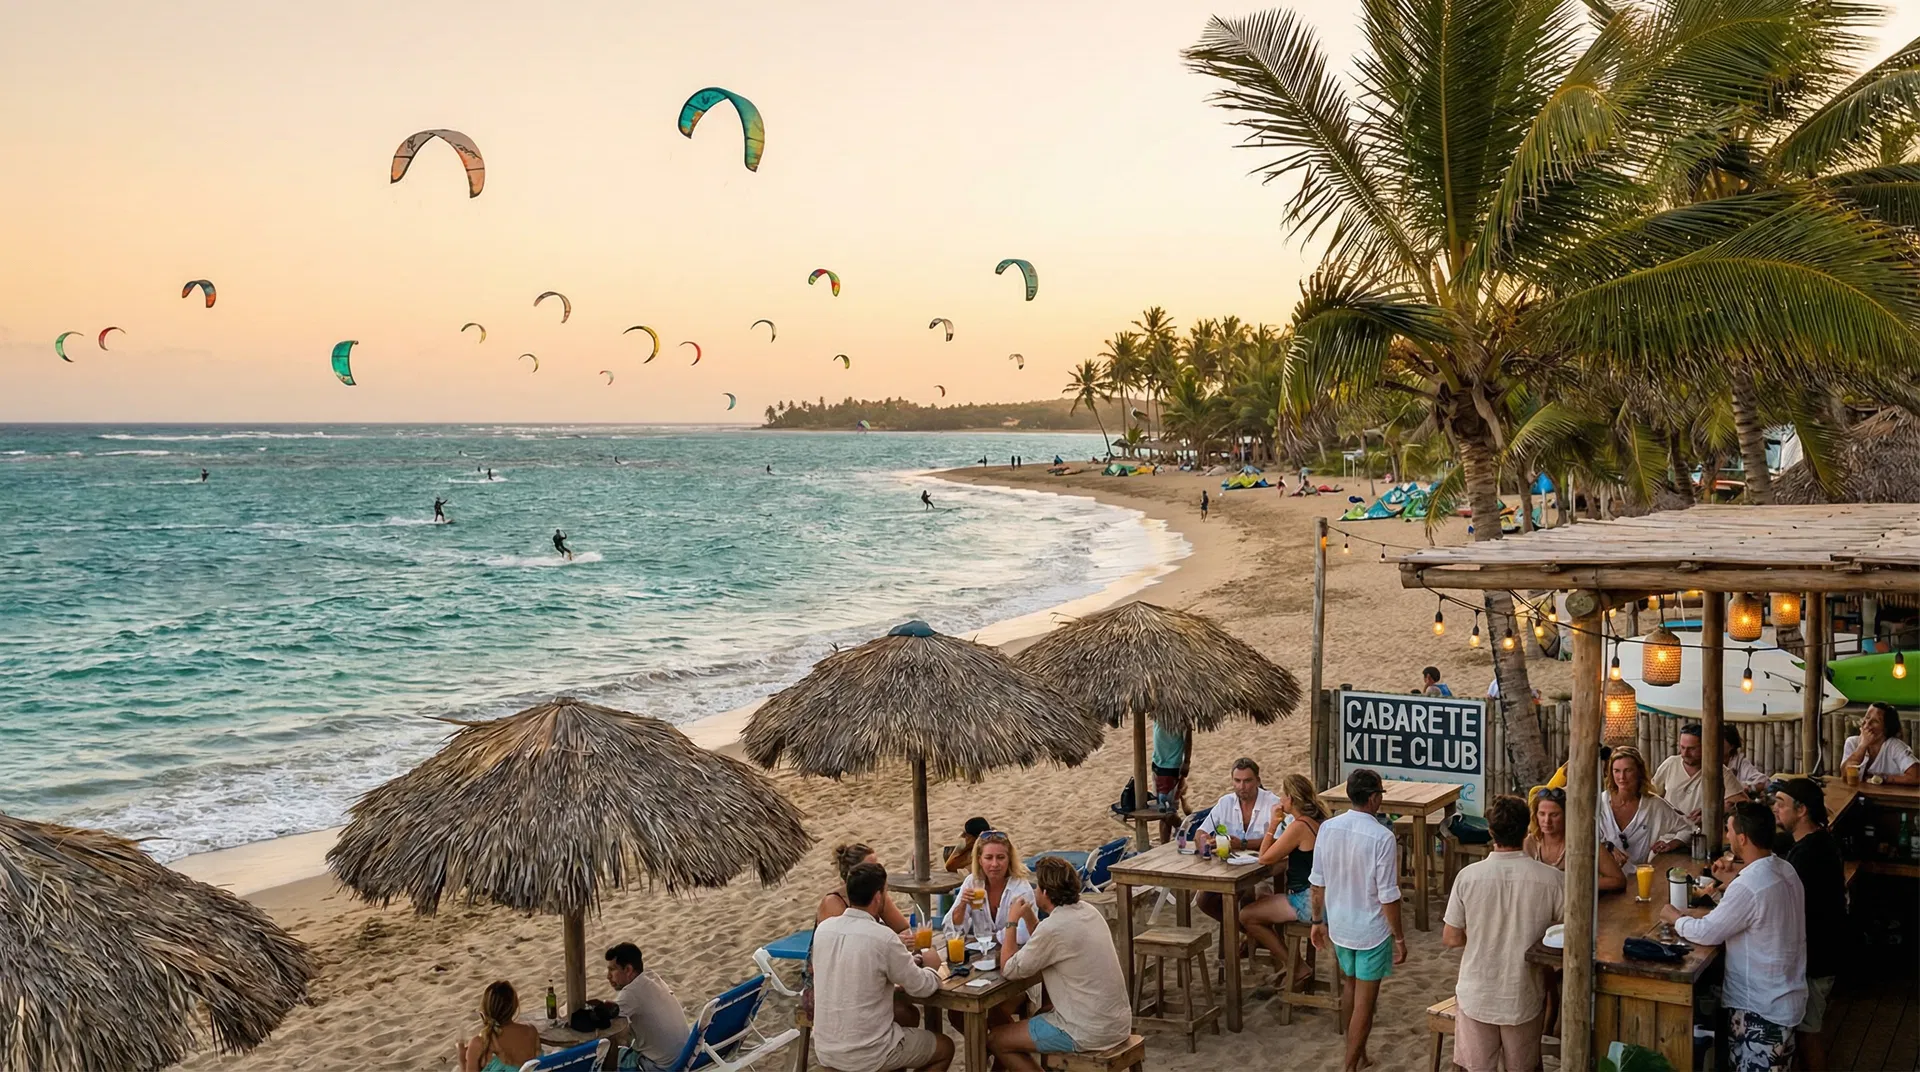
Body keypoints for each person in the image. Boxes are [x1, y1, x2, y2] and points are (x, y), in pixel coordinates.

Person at [1659, 804, 1806, 1072]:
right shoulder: (1785, 870)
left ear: (1742, 839)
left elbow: (1707, 932)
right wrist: (1722, 889)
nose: (1726, 836)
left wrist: (1674, 917)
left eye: (1729, 831)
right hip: (1783, 999)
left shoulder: (1750, 885)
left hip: (1760, 1010)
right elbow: (1750, 916)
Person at [1441, 795, 1563, 1072]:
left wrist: (1484, 934)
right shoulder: (1552, 880)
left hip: (1477, 991)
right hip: (1522, 993)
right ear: (1527, 830)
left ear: (1491, 831)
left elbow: (1451, 937)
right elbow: (1564, 932)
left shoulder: (1468, 877)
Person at [987, 856, 1131, 1071]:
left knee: (997, 1039)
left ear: (1045, 892)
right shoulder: (1088, 911)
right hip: (1117, 1023)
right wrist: (1028, 916)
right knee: (1035, 1016)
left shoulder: (1054, 927)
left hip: (1087, 1031)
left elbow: (1010, 969)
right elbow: (1046, 946)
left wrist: (1011, 921)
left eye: (1037, 887)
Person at [812, 862, 953, 1072]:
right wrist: (932, 967)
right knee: (945, 1047)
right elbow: (921, 987)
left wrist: (903, 964)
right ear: (879, 897)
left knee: (905, 1020)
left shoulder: (824, 930)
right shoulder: (882, 937)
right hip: (868, 1053)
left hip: (826, 1049)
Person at [1309, 768, 1406, 1072]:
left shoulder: (1328, 828)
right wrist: (1399, 936)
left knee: (1350, 985)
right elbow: (1388, 895)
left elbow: (1317, 883)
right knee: (1366, 1000)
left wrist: (1317, 920)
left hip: (1339, 923)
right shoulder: (1382, 836)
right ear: (1375, 798)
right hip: (1371, 929)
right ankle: (1350, 1064)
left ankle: (1357, 1054)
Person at [1772, 778, 1844, 1070]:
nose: (1775, 809)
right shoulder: (1817, 841)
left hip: (1817, 959)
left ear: (1801, 810)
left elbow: (1784, 903)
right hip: (1821, 953)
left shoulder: (1809, 854)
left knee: (1808, 1035)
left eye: (1781, 803)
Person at [812, 844, 917, 1029]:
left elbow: (902, 928)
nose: (878, 870)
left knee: (907, 1009)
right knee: (904, 1013)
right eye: (872, 866)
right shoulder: (833, 903)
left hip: (865, 971)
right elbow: (842, 955)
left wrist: (898, 940)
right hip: (834, 982)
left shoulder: (875, 895)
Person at [1239, 773, 1326, 981]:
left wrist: (1273, 824)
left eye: (1283, 797)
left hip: (1307, 901)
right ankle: (1284, 960)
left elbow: (1264, 858)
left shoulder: (1299, 826)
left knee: (1246, 916)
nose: (1280, 801)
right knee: (1263, 899)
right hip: (1324, 897)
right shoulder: (1318, 821)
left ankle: (1294, 965)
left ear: (1292, 800)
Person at [1196, 758, 1282, 921]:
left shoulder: (1272, 803)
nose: (1242, 786)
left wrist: (1242, 844)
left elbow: (1281, 841)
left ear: (1258, 780)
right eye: (1237, 781)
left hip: (1265, 871)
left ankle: (1246, 938)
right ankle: (1242, 934)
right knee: (1204, 900)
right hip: (1230, 870)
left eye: (1247, 781)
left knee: (1253, 896)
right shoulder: (1225, 802)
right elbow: (1201, 832)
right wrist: (1205, 843)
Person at [599, 943, 689, 1072]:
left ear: (628, 970)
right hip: (685, 1054)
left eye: (612, 969)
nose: (608, 976)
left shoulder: (630, 993)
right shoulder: (651, 976)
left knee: (600, 1058)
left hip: (663, 1067)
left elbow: (606, 1025)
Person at [1599, 745, 1691, 868]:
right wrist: (1607, 847)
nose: (1622, 777)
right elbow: (1582, 840)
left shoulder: (1654, 806)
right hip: (1603, 879)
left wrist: (1673, 843)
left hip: (1638, 878)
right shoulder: (1599, 804)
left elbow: (1689, 829)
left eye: (1628, 770)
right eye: (1617, 771)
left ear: (1639, 772)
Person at [1523, 787, 1626, 892]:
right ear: (1535, 815)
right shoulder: (1530, 843)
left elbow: (1618, 880)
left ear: (1567, 816)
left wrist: (1577, 883)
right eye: (1542, 814)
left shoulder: (1583, 842)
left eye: (1554, 815)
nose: (1547, 820)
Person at [1652, 723, 1749, 829]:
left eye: (1692, 749)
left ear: (1705, 746)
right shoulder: (1670, 764)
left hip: (1701, 834)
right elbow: (1652, 795)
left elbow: (1742, 803)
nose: (1685, 753)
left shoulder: (1718, 771)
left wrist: (1711, 812)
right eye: (1682, 747)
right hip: (1669, 831)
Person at [945, 830, 1034, 935]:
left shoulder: (1020, 888)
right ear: (980, 860)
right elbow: (951, 929)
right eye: (988, 858)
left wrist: (991, 939)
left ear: (1009, 859)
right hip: (981, 949)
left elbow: (1024, 934)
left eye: (1000, 857)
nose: (995, 864)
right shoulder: (972, 882)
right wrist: (962, 905)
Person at [458, 981, 541, 1072]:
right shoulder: (530, 1031)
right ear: (515, 1006)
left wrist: (462, 1059)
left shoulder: (479, 1044)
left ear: (485, 1010)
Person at [1841, 702, 1920, 784]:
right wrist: (1863, 745)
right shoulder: (1852, 742)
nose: (1867, 724)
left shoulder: (1894, 746)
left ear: (1886, 728)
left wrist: (1883, 778)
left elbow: (1917, 776)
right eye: (1867, 717)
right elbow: (1845, 776)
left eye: (1875, 721)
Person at [1149, 719, 1192, 841]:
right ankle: (1165, 842)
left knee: (1168, 812)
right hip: (1157, 764)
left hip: (1171, 767)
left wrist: (1187, 762)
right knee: (1161, 809)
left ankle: (1182, 828)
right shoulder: (1158, 711)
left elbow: (1188, 738)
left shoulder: (1180, 716)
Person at [1723, 724, 1769, 794]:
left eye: (1721, 742)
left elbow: (1764, 781)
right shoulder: (1710, 763)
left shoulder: (1741, 763)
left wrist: (1747, 787)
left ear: (1732, 746)